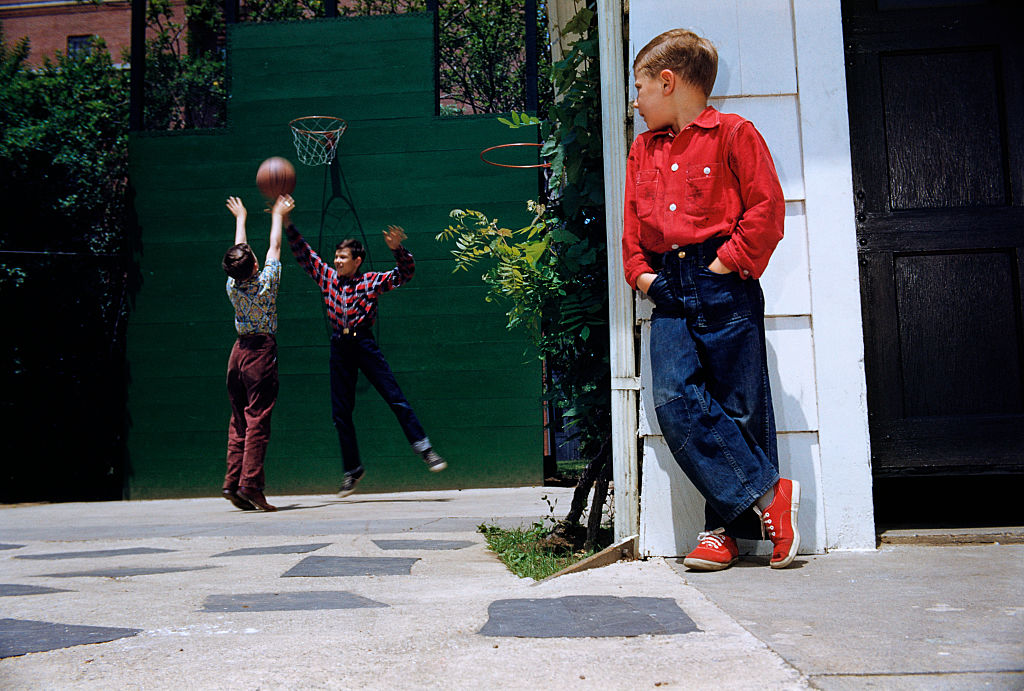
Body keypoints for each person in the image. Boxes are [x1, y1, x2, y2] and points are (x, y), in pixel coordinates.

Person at [622, 29, 799, 570]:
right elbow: (632, 231)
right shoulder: (642, 148)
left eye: (640, 87)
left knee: (737, 405)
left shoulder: (733, 133)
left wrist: (727, 263)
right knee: (676, 400)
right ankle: (772, 497)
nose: (636, 100)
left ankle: (721, 533)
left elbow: (766, 210)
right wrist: (645, 279)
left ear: (668, 81)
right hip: (670, 288)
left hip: (726, 279)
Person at [286, 223, 446, 497]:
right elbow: (305, 255)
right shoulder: (327, 278)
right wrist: (287, 223)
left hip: (364, 344)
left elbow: (404, 274)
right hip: (340, 346)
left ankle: (425, 450)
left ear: (357, 261)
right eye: (336, 256)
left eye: (343, 257)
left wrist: (398, 250)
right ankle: (352, 471)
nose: (337, 260)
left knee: (395, 398)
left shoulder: (369, 281)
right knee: (340, 413)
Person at [220, 194, 293, 512]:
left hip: (237, 353)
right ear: (254, 265)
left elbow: (241, 253)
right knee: (257, 420)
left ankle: (232, 484)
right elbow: (274, 247)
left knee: (238, 420)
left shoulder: (232, 286)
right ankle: (250, 485)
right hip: (260, 353)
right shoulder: (266, 284)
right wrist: (277, 214)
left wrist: (241, 219)